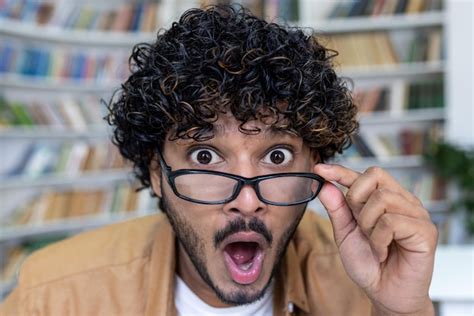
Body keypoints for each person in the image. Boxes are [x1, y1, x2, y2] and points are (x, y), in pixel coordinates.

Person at [0, 5, 438, 316]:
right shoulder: (53, 296)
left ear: (317, 168)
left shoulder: (362, 284)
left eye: (277, 155)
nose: (247, 203)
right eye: (205, 155)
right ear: (158, 173)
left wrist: (403, 310)